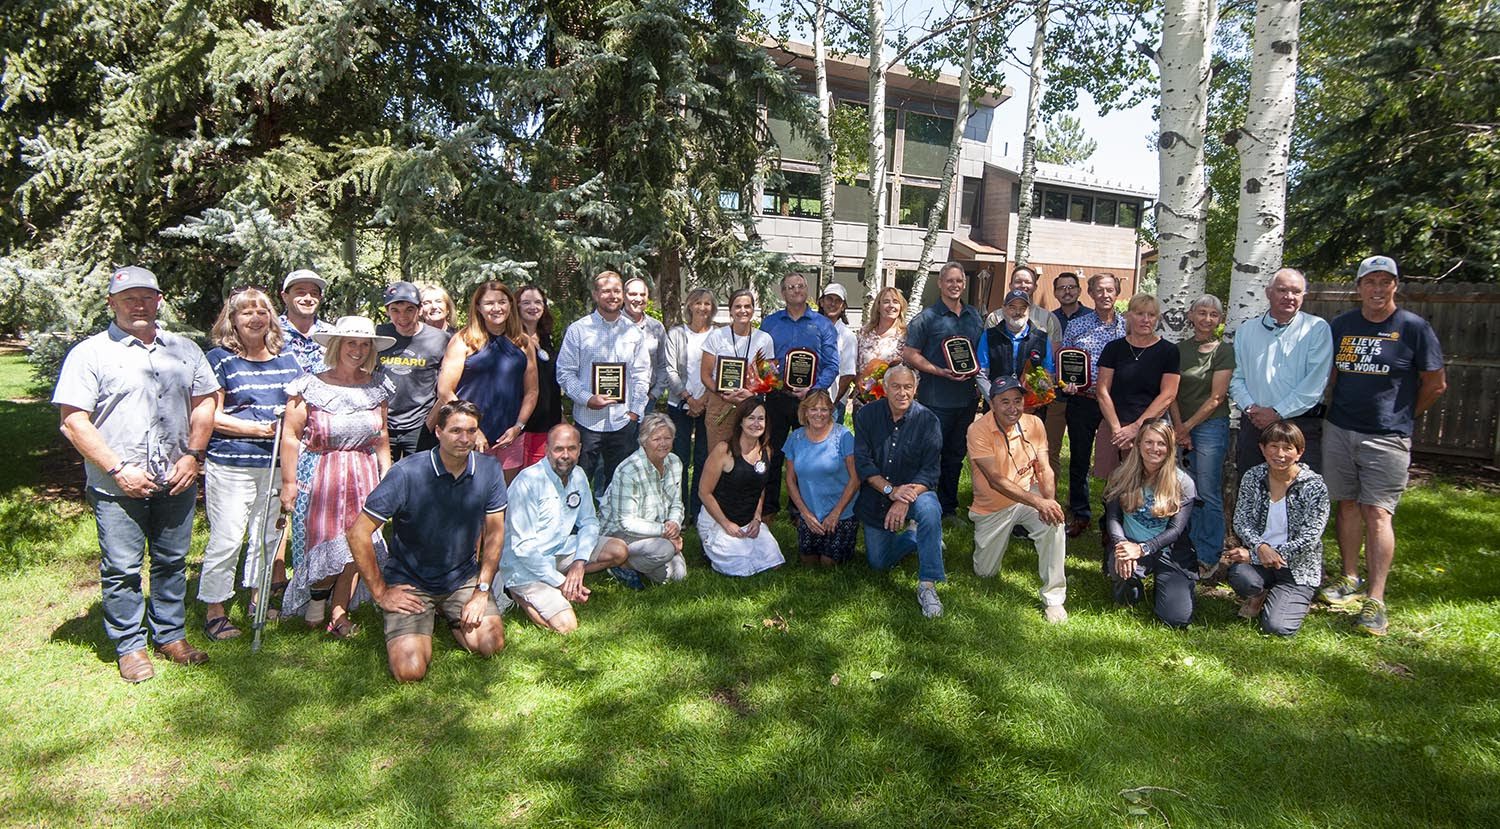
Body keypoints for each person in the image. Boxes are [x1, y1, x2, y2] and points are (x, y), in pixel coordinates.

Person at [54, 266, 218, 682]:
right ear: (111, 303)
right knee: (123, 567)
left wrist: (193, 456)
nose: (139, 304)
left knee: (172, 561)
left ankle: (170, 635)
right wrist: (117, 468)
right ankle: (130, 645)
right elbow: (74, 421)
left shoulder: (184, 349)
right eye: (129, 298)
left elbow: (204, 403)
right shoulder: (90, 353)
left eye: (146, 296)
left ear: (159, 300)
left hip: (176, 476)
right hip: (116, 483)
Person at [1320, 255, 1447, 636]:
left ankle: (1376, 598)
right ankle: (1350, 578)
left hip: (1387, 436)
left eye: (1385, 282)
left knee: (1378, 512)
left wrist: (1403, 417)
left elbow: (1435, 383)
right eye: (1370, 282)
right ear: (1358, 287)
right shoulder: (1341, 325)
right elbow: (1329, 373)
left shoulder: (1413, 328)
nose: (1377, 289)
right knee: (1346, 504)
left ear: (1395, 286)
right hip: (1340, 428)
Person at [346, 400, 508, 681]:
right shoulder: (407, 473)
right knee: (410, 672)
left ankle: (450, 616)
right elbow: (358, 533)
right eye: (456, 431)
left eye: (471, 431)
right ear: (438, 432)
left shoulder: (489, 469)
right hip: (412, 583)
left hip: (463, 579)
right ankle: (431, 618)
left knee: (491, 645)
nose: (465, 439)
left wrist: (481, 592)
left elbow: (494, 533)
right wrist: (381, 592)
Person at [278, 316, 396, 639]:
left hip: (364, 473)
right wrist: (288, 483)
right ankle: (317, 599)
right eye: (350, 343)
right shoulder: (309, 386)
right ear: (336, 346)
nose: (357, 350)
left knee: (360, 544)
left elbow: (381, 434)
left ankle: (339, 613)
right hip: (321, 476)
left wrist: (387, 475)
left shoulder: (377, 386)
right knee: (324, 541)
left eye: (363, 344)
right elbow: (291, 436)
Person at [198, 287, 301, 641]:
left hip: (274, 463)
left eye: (262, 311)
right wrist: (259, 428)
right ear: (233, 320)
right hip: (232, 462)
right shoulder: (219, 359)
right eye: (247, 312)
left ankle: (258, 599)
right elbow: (209, 415)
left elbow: (297, 410)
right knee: (228, 536)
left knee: (266, 534)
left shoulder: (287, 359)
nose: (256, 318)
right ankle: (215, 609)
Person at [502, 425, 631, 633]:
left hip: (559, 549)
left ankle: (560, 582)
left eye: (571, 449)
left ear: (580, 449)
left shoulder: (578, 475)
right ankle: (515, 591)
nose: (565, 455)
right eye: (558, 449)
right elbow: (523, 548)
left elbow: (589, 522)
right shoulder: (527, 482)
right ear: (546, 449)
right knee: (566, 627)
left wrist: (579, 563)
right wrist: (561, 583)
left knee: (619, 550)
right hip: (524, 563)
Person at [968, 377, 1069, 622]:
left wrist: (1049, 502)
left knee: (1054, 525)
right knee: (985, 573)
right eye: (1005, 402)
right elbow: (995, 480)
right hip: (993, 505)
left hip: (1028, 496)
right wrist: (1039, 503)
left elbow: (1044, 468)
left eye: (1017, 400)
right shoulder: (977, 430)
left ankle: (1054, 599)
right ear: (992, 404)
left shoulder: (1034, 423)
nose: (1013, 407)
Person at [853, 365, 946, 617]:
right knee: (879, 563)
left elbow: (930, 472)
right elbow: (863, 463)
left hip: (915, 491)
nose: (902, 392)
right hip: (878, 493)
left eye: (908, 387)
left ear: (916, 390)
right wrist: (890, 491)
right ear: (885, 388)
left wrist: (903, 498)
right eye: (895, 386)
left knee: (929, 509)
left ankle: (927, 585)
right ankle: (919, 536)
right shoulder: (867, 416)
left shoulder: (928, 421)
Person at [1224, 421, 1330, 637]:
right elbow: (1241, 521)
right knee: (1241, 576)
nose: (1280, 454)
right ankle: (1259, 593)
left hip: (1297, 567)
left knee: (1277, 628)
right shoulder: (1253, 477)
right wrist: (1260, 547)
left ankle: (1289, 597)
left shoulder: (1314, 486)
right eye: (1273, 446)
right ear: (1262, 449)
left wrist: (1258, 553)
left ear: (1299, 452)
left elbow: (1310, 537)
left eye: (1288, 448)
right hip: (1261, 559)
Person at [557, 271, 653, 497]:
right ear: (595, 294)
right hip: (588, 422)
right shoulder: (579, 330)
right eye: (606, 290)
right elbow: (565, 373)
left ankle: (613, 529)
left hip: (622, 422)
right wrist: (587, 398)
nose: (612, 296)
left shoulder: (633, 332)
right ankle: (573, 526)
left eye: (616, 291)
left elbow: (641, 374)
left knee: (619, 485)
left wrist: (634, 413)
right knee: (577, 481)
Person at [901, 262, 983, 526]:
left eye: (959, 281)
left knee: (955, 455)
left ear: (964, 283)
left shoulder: (974, 316)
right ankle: (926, 507)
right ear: (940, 283)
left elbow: (979, 352)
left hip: (966, 399)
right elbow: (910, 354)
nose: (955, 285)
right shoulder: (925, 318)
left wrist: (978, 366)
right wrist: (939, 370)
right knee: (930, 455)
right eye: (950, 281)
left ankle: (948, 508)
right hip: (935, 399)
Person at [1229, 267, 1333, 474]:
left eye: (1296, 291)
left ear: (1304, 295)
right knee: (1252, 492)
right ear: (1269, 293)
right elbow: (1235, 378)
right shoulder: (1246, 330)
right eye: (1282, 290)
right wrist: (1251, 409)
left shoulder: (1316, 329)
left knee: (1299, 494)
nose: (1289, 297)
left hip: (1300, 425)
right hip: (1255, 425)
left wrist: (1277, 413)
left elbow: (1314, 383)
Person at [433, 281, 537, 482]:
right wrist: (472, 430)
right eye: (489, 303)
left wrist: (518, 427)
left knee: (504, 497)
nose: (497, 308)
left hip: (510, 436)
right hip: (468, 436)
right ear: (478, 307)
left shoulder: (523, 343)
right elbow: (445, 391)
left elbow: (532, 391)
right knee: (467, 496)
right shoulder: (463, 340)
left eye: (502, 302)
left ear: (510, 305)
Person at [1102, 420, 1198, 628]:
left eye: (1161, 444)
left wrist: (1142, 549)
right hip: (1130, 543)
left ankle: (1173, 582)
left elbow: (1176, 530)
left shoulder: (1184, 483)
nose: (1155, 449)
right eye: (1149, 442)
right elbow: (1113, 518)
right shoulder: (1120, 475)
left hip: (1168, 550)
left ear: (1170, 448)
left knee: (1176, 619)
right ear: (1138, 445)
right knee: (1125, 597)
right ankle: (1131, 582)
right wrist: (1121, 546)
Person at [759, 271, 841, 515]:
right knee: (771, 452)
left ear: (807, 291)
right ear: (783, 293)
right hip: (777, 397)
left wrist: (813, 390)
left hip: (811, 401)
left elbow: (832, 365)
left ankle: (801, 509)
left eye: (800, 286)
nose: (796, 290)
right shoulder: (770, 323)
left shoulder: (823, 325)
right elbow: (763, 363)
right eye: (790, 287)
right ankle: (770, 508)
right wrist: (771, 380)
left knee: (808, 455)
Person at [1170, 295, 1235, 576]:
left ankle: (1208, 554)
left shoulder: (1224, 351)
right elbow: (1170, 392)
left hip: (1210, 427)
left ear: (1220, 320)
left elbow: (1217, 397)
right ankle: (1187, 546)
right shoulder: (1177, 350)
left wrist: (1188, 428)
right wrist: (1178, 427)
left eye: (1213, 314)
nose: (1207, 319)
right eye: (1202, 313)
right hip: (1177, 424)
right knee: (1184, 489)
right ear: (1191, 316)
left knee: (1207, 491)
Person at [1060, 272, 1127, 537]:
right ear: (1090, 293)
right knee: (1079, 460)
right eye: (1099, 290)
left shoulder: (1127, 327)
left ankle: (1111, 518)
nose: (1105, 295)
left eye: (1110, 290)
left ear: (1117, 293)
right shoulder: (1077, 326)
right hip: (1083, 401)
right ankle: (1080, 514)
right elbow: (1065, 358)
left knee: (1116, 463)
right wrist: (1067, 382)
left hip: (1115, 404)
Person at [697, 398, 786, 575]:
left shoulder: (766, 451)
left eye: (761, 419)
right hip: (718, 519)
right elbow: (704, 492)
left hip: (747, 519)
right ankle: (710, 546)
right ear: (741, 422)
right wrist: (726, 524)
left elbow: (760, 487)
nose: (756, 423)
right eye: (750, 418)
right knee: (742, 569)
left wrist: (757, 518)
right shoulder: (724, 450)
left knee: (775, 563)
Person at [1096, 293, 1180, 478]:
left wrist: (1136, 428)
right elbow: (1102, 391)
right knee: (1111, 486)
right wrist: (1118, 430)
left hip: (1151, 428)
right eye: (1140, 313)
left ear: (1157, 318)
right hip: (1114, 424)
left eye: (1151, 315)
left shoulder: (1169, 351)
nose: (1145, 319)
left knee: (1145, 483)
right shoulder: (1113, 348)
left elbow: (1168, 394)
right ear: (1128, 315)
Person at [600, 413, 689, 587]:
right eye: (656, 439)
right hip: (618, 534)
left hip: (656, 531)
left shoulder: (675, 462)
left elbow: (677, 503)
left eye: (667, 438)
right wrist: (664, 532)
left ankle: (632, 563)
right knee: (665, 550)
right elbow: (625, 522)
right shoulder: (629, 470)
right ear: (643, 440)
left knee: (678, 575)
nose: (663, 443)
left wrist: (675, 524)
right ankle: (619, 563)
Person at [377, 280, 452, 461]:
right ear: (387, 312)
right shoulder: (379, 335)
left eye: (409, 310)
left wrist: (429, 424)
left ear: (419, 310)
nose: (402, 317)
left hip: (420, 425)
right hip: (384, 423)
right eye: (395, 310)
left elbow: (447, 385)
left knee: (420, 481)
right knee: (385, 481)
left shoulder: (440, 339)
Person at [784, 390, 859, 566]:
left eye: (824, 409)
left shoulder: (844, 436)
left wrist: (836, 513)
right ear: (805, 412)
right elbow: (789, 480)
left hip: (841, 513)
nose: (819, 414)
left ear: (831, 411)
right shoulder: (795, 438)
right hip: (810, 513)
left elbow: (855, 478)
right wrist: (804, 513)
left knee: (828, 563)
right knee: (808, 561)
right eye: (813, 409)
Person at [663, 287, 716, 519]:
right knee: (679, 459)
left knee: (704, 458)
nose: (702, 307)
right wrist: (688, 399)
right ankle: (679, 509)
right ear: (689, 306)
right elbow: (670, 370)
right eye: (698, 303)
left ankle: (698, 509)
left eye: (707, 303)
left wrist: (703, 401)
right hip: (679, 405)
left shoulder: (718, 336)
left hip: (709, 405)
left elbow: (720, 372)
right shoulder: (676, 334)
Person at [700, 288, 775, 449]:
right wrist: (724, 395)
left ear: (753, 310)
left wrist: (752, 394)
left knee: (746, 455)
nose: (743, 310)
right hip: (720, 403)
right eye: (738, 306)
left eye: (747, 306)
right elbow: (705, 375)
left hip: (751, 405)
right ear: (731, 311)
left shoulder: (764, 339)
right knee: (718, 453)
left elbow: (769, 379)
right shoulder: (717, 336)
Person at [1044, 271, 1089, 500]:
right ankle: (1051, 501)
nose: (1067, 291)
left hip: (1085, 400)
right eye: (1062, 288)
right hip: (1056, 397)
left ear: (1079, 291)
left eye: (1071, 287)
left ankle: (1079, 506)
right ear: (1055, 292)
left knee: (1080, 454)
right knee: (1051, 451)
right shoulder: (1049, 320)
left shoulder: (1092, 318)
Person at [516, 284, 565, 467]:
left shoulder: (546, 338)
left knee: (541, 474)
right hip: (522, 422)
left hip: (548, 419)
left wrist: (560, 414)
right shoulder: (511, 339)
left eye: (538, 302)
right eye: (526, 302)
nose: (533, 307)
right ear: (517, 307)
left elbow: (551, 381)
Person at [977, 288, 1053, 399]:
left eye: (1023, 308)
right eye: (1012, 307)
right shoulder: (989, 336)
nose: (1018, 312)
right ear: (1003, 309)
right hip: (996, 407)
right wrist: (995, 401)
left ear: (1029, 310)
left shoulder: (1042, 338)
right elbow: (981, 374)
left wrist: (1035, 400)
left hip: (1032, 408)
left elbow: (1048, 373)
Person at [985, 266, 1062, 347]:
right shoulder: (994, 318)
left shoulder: (1049, 319)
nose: (1023, 285)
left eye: (1028, 282)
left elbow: (1053, 353)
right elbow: (987, 349)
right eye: (1018, 281)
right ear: (1010, 285)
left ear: (1035, 287)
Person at [624, 276, 670, 407]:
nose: (638, 299)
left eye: (642, 294)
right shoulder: (613, 325)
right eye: (633, 294)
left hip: (647, 399)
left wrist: (655, 394)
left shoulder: (656, 327)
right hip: (618, 401)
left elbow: (663, 363)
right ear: (623, 296)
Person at [818, 282, 859, 423]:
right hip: (807, 400)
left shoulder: (847, 336)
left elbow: (847, 375)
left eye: (838, 301)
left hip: (832, 403)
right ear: (821, 302)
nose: (833, 304)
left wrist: (831, 402)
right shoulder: (810, 329)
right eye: (829, 299)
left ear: (843, 307)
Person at [278, 269, 334, 374]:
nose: (308, 298)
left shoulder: (331, 334)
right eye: (301, 292)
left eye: (314, 293)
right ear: (285, 297)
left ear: (320, 298)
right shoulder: (271, 331)